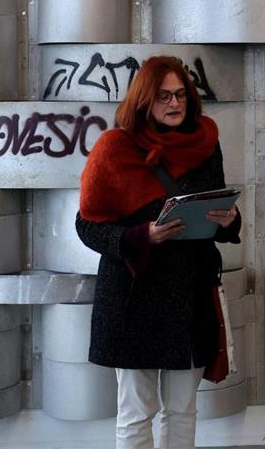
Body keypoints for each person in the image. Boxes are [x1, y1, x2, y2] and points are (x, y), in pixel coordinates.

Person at [76, 56, 241, 449]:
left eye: (181, 94)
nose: (175, 103)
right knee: (136, 413)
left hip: (191, 295)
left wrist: (229, 219)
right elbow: (86, 226)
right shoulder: (114, 148)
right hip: (135, 298)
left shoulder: (205, 141)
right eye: (164, 95)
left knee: (183, 411)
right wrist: (140, 237)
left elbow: (212, 206)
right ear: (144, 101)